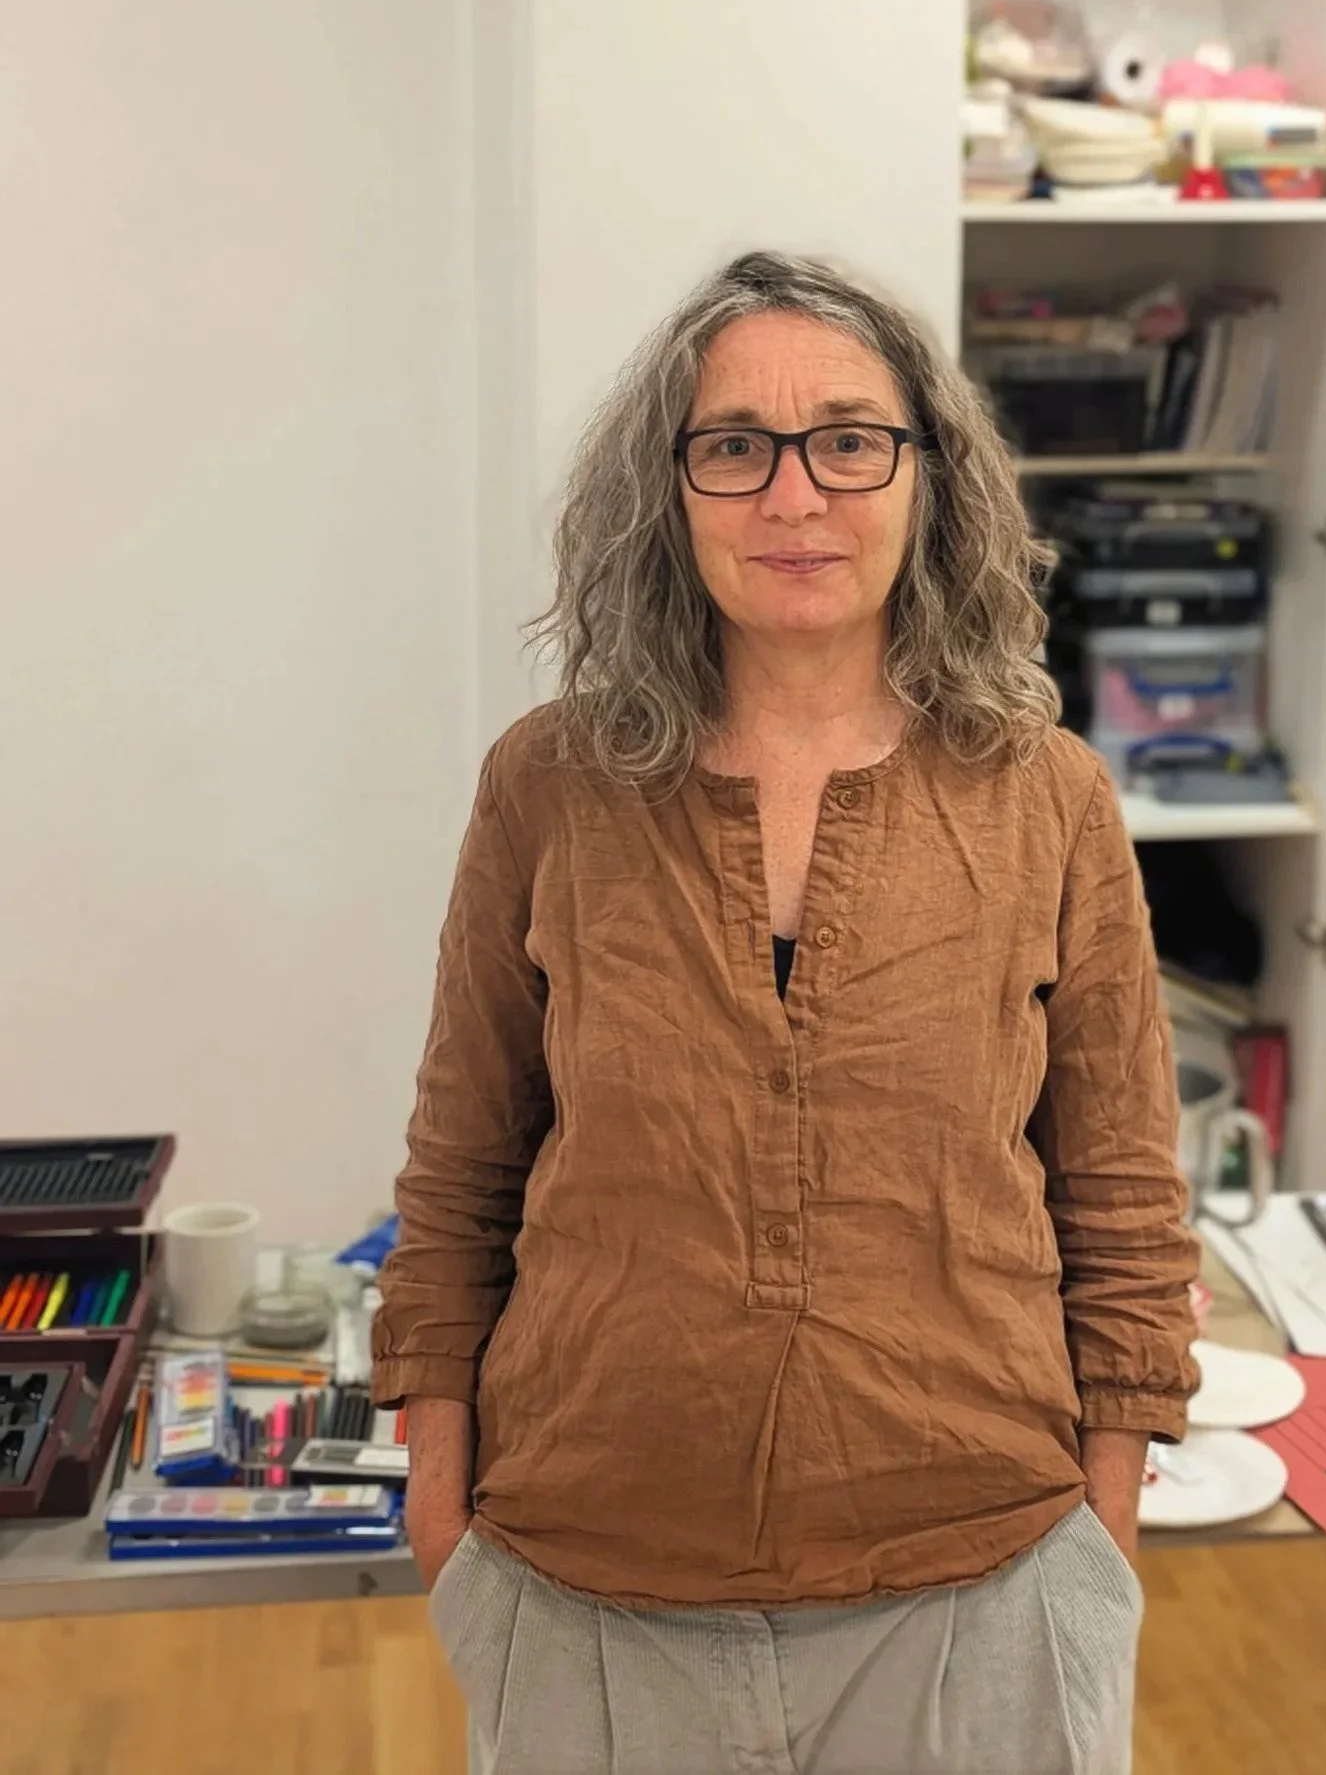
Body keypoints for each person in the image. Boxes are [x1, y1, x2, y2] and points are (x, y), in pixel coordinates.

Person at [372, 251, 1198, 1775]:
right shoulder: (547, 784)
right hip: (589, 1581)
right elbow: (462, 1168)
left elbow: (1124, 1194)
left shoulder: (1049, 798)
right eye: (734, 445)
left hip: (982, 1585)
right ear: (669, 490)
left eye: (849, 438)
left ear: (925, 474)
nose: (795, 495)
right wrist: (440, 1482)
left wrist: (1105, 1522)